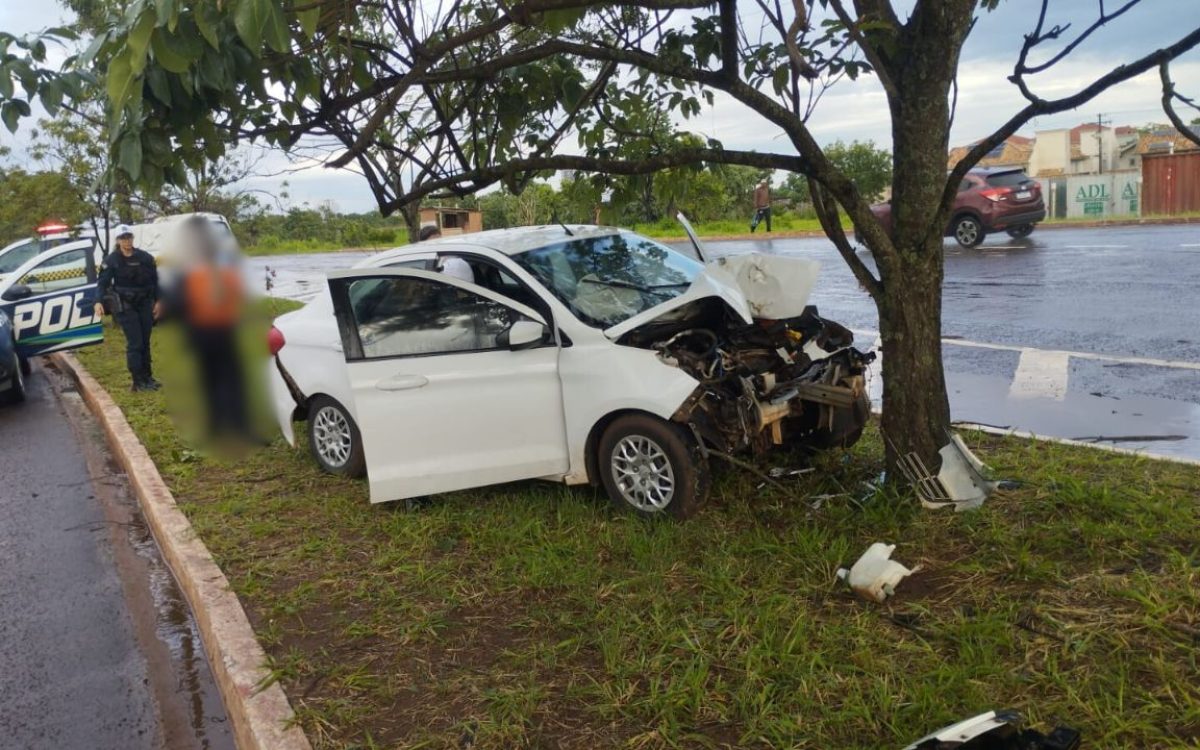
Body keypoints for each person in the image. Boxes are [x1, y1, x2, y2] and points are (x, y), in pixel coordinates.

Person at [95, 225, 163, 391]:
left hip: (145, 303)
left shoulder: (145, 257)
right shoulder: (112, 260)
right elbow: (102, 283)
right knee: (135, 343)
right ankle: (137, 381)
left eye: (129, 237)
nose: (127, 241)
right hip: (126, 306)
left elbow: (155, 281)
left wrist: (159, 301)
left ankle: (148, 378)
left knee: (145, 342)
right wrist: (97, 301)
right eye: (123, 238)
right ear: (118, 240)